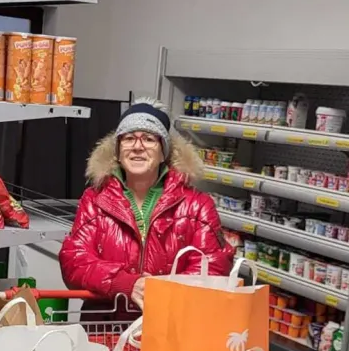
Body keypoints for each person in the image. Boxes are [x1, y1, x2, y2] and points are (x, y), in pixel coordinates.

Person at [60, 97, 232, 309]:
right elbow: (74, 262)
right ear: (118, 151)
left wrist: (160, 293)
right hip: (106, 324)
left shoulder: (198, 206)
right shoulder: (94, 200)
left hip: (171, 322)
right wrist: (125, 283)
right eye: (129, 138)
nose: (137, 147)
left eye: (149, 139)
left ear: (163, 152)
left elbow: (213, 268)